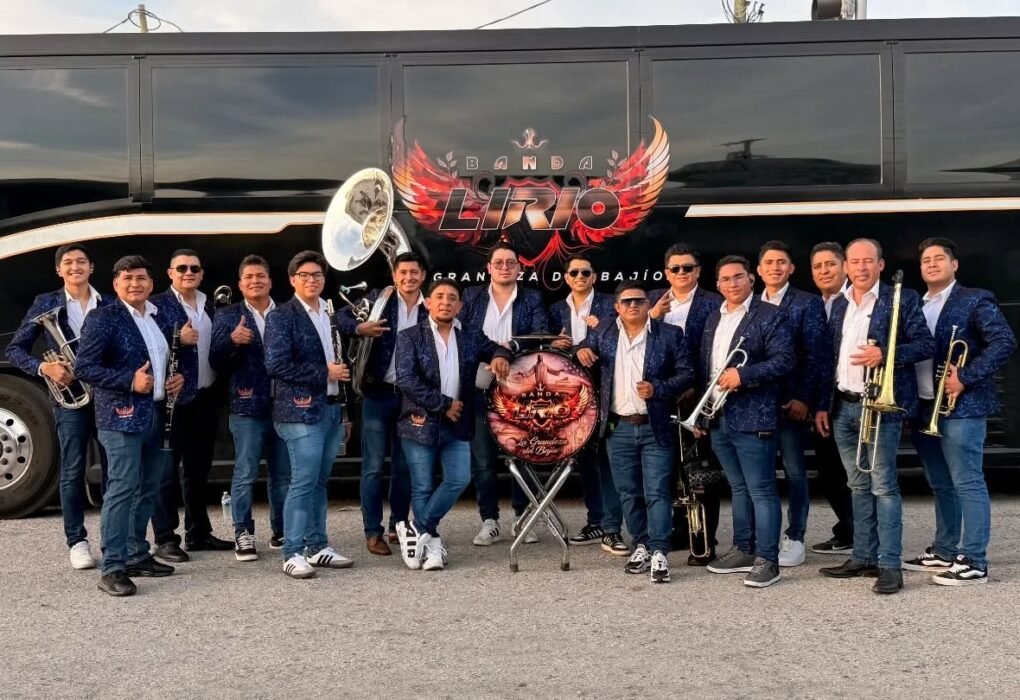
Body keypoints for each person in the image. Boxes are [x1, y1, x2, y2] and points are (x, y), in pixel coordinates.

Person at [815, 238, 934, 595]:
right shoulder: (839, 305)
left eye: (869, 261)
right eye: (855, 262)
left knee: (883, 485)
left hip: (880, 406)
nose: (862, 267)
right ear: (846, 267)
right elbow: (829, 359)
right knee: (857, 484)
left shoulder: (902, 298)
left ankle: (889, 564)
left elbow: (926, 344)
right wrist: (823, 403)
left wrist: (885, 353)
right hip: (843, 406)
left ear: (881, 265)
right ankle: (864, 556)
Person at [906, 237, 1016, 585]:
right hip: (925, 406)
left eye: (940, 258)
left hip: (962, 405)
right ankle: (944, 549)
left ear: (954, 265)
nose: (932, 264)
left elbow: (1005, 341)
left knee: (967, 480)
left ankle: (975, 560)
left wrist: (965, 377)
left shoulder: (974, 298)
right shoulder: (916, 304)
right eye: (926, 260)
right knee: (940, 482)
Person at [75, 255, 187, 596]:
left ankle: (137, 553)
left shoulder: (160, 315)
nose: (135, 283)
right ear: (116, 284)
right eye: (127, 278)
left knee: (149, 487)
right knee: (122, 488)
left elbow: (171, 357)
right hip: (120, 416)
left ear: (151, 284)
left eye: (141, 278)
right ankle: (113, 566)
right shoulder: (103, 317)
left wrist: (178, 379)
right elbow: (84, 368)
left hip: (157, 412)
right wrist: (129, 381)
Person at [576, 282, 693, 584]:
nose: (633, 306)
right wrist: (583, 349)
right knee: (628, 492)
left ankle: (659, 551)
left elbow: (687, 373)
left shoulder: (669, 335)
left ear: (647, 304)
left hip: (654, 425)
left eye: (639, 301)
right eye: (626, 301)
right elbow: (580, 348)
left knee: (657, 491)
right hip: (619, 428)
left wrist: (659, 388)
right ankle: (640, 543)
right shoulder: (604, 333)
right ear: (616, 307)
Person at [394, 279, 512, 571]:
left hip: (457, 424)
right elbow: (406, 380)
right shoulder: (409, 336)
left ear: (460, 306)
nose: (446, 302)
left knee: (459, 479)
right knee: (422, 487)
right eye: (440, 297)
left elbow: (498, 349)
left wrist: (499, 356)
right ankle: (432, 546)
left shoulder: (471, 335)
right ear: (429, 303)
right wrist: (443, 404)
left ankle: (415, 527)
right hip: (419, 423)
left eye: (452, 298)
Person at [5, 244, 110, 570]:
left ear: (91, 267)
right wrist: (44, 368)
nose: (75, 267)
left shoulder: (108, 302)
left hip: (107, 397)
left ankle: (112, 539)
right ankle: (77, 541)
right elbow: (15, 349)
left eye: (81, 261)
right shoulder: (45, 304)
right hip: (71, 400)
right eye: (68, 263)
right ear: (59, 271)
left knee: (113, 471)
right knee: (72, 470)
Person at [699, 256, 795, 589]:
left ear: (750, 279)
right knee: (738, 488)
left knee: (762, 490)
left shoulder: (770, 315)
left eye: (738, 277)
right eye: (725, 279)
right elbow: (707, 367)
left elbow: (785, 360)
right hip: (721, 415)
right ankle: (743, 548)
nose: (732, 284)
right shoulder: (714, 317)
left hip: (754, 415)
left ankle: (768, 560)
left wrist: (744, 375)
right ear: (718, 285)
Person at [264, 250, 354, 579]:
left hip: (330, 409)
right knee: (302, 482)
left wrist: (342, 405)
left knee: (318, 481)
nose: (312, 280)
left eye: (317, 275)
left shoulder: (327, 314)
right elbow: (276, 365)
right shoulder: (281, 316)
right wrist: (324, 373)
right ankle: (292, 552)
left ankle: (318, 547)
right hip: (298, 411)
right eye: (304, 275)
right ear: (292, 280)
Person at [458, 243, 550, 546]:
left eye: (511, 263)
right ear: (489, 268)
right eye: (498, 262)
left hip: (518, 388)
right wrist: (488, 354)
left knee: (521, 454)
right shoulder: (471, 297)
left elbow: (538, 335)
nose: (504, 267)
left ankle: (523, 518)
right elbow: (464, 333)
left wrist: (507, 349)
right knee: (483, 460)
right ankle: (490, 520)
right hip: (479, 384)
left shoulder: (533, 298)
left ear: (519, 268)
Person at [337, 252, 426, 556]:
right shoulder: (378, 299)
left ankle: (398, 526)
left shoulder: (432, 307)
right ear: (394, 276)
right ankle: (372, 532)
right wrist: (360, 329)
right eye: (403, 272)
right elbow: (340, 317)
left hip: (414, 399)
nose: (408, 277)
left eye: (414, 272)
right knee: (373, 467)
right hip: (378, 395)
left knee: (404, 467)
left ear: (422, 276)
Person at [150, 249, 232, 560]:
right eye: (181, 268)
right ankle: (165, 538)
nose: (188, 272)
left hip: (205, 398)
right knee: (166, 472)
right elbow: (144, 343)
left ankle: (198, 532)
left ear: (201, 273)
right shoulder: (156, 305)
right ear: (170, 273)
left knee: (199, 471)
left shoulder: (210, 306)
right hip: (171, 402)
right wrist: (176, 337)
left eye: (194, 268)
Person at [210, 255, 291, 561]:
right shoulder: (228, 316)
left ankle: (281, 530)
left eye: (260, 276)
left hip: (284, 406)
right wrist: (231, 341)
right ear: (240, 284)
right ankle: (243, 533)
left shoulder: (286, 313)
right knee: (244, 473)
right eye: (249, 277)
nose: (255, 281)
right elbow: (215, 361)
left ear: (270, 281)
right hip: (246, 406)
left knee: (282, 475)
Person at [649, 242, 725, 565]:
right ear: (667, 272)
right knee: (669, 473)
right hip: (658, 399)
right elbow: (631, 338)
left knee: (700, 472)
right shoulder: (651, 300)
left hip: (695, 398)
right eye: (675, 268)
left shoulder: (714, 303)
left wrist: (697, 390)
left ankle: (705, 541)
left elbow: (715, 351)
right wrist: (653, 318)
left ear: (698, 271)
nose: (682, 273)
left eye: (688, 268)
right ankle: (680, 530)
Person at [756, 240, 830, 567]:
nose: (775, 267)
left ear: (791, 268)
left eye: (781, 262)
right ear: (758, 270)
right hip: (756, 406)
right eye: (769, 262)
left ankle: (796, 536)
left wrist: (804, 398)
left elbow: (816, 356)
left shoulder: (807, 303)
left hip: (791, 405)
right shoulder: (749, 302)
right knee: (761, 476)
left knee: (795, 472)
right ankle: (763, 537)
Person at [548, 253, 625, 555]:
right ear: (566, 278)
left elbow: (626, 340)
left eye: (586, 273)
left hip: (606, 392)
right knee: (586, 464)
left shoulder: (610, 305)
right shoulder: (555, 309)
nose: (580, 277)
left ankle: (612, 528)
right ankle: (596, 520)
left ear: (594, 277)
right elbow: (545, 345)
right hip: (569, 396)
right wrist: (554, 343)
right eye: (574, 273)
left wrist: (593, 336)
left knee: (608, 462)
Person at [807, 242, 855, 555]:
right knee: (830, 471)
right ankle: (848, 530)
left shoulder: (856, 301)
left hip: (850, 402)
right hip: (824, 402)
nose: (824, 271)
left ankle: (864, 536)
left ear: (845, 267)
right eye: (818, 266)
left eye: (830, 265)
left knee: (856, 474)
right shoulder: (816, 305)